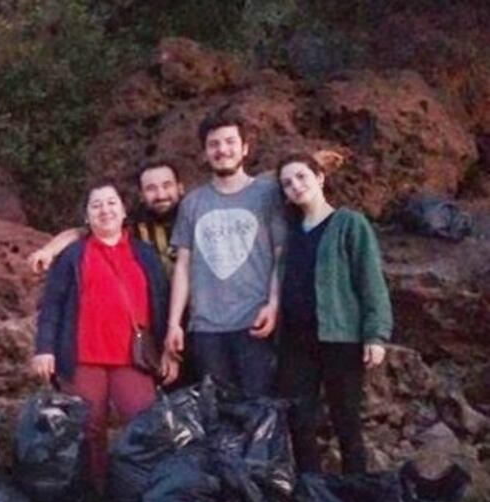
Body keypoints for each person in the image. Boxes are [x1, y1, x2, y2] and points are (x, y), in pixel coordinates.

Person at [32, 180, 173, 488]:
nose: (105, 210)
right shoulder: (73, 255)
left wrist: (167, 352)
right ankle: (94, 497)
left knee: (144, 423)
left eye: (111, 203)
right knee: (87, 430)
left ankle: (144, 495)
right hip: (83, 358)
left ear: (123, 211)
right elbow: (52, 304)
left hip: (132, 357)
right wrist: (45, 348)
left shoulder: (144, 253)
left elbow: (160, 302)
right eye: (96, 205)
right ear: (86, 218)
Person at [276, 152, 392, 474]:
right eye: (287, 183)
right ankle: (314, 496)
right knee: (299, 421)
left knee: (346, 421)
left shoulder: (349, 223)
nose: (296, 186)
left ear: (320, 177)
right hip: (297, 342)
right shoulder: (290, 230)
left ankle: (357, 495)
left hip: (340, 338)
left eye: (302, 176)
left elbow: (370, 281)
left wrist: (376, 333)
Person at [163, 105, 287, 396]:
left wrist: (274, 304)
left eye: (230, 142)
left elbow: (281, 253)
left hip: (255, 323)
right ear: (205, 153)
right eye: (214, 144)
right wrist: (174, 324)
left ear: (244, 148)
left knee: (259, 409)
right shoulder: (192, 203)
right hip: (206, 328)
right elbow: (183, 265)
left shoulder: (268, 194)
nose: (222, 150)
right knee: (219, 414)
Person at [28, 159, 185, 273]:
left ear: (180, 188)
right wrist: (48, 251)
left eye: (167, 185)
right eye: (151, 189)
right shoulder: (135, 223)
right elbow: (79, 232)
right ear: (141, 195)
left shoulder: (195, 217)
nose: (161, 195)